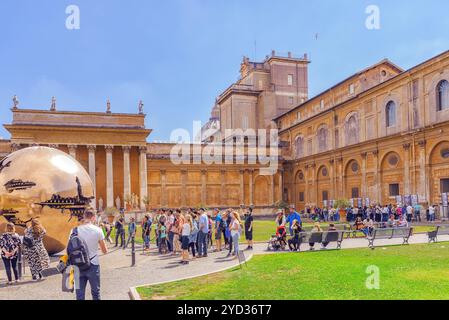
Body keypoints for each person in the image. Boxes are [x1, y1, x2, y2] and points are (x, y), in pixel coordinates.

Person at [69, 210, 108, 300]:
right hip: (93, 264)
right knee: (95, 292)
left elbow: (69, 249)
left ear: (84, 217)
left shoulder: (74, 231)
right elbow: (105, 251)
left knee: (79, 295)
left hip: (78, 265)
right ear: (93, 217)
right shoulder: (98, 230)